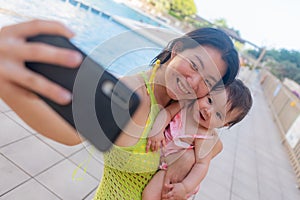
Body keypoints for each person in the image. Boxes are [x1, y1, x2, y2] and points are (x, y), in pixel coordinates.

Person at [0, 19, 240, 199]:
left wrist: (188, 162)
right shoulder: (132, 93)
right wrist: (6, 84)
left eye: (207, 82)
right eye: (194, 65)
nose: (194, 82)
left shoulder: (188, 109)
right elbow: (70, 132)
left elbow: (216, 146)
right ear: (177, 49)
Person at [143, 79, 253, 199]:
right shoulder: (186, 105)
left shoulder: (204, 136)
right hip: (156, 154)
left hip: (170, 168)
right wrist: (158, 130)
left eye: (218, 114)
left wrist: (185, 187)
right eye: (210, 100)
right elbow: (167, 113)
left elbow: (201, 165)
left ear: (224, 124)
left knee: (150, 195)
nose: (208, 111)